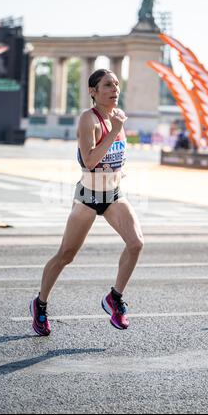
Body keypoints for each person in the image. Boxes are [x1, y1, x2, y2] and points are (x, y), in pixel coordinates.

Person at [30, 69, 144, 335]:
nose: (114, 89)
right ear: (93, 91)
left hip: (114, 194)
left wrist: (119, 169)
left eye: (116, 84)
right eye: (107, 85)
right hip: (89, 197)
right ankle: (41, 304)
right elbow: (90, 160)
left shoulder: (118, 117)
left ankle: (114, 298)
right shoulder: (88, 119)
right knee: (66, 256)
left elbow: (117, 155)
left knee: (136, 243)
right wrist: (114, 129)